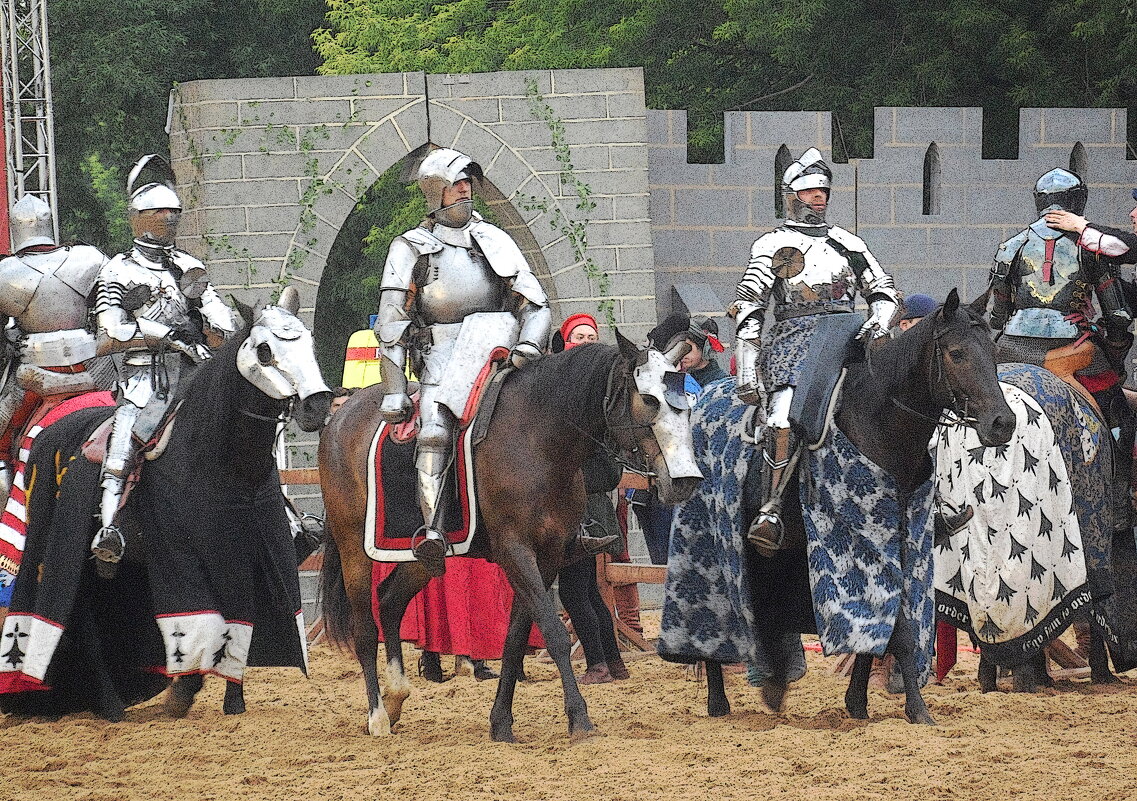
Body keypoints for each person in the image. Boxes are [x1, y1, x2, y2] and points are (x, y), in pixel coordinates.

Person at [373, 148, 551, 576]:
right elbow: (392, 324)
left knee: (553, 420)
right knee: (434, 431)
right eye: (456, 185)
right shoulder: (410, 248)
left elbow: (537, 304)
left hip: (502, 351)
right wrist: (396, 390)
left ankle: (572, 520)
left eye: (468, 184)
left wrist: (528, 345)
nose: (465, 192)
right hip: (442, 354)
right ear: (435, 192)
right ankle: (432, 529)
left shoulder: (495, 240)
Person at [732, 147, 899, 551]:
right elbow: (750, 306)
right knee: (782, 420)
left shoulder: (848, 243)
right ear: (791, 196)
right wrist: (747, 368)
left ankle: (932, 494)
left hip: (851, 335)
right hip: (795, 340)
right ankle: (770, 509)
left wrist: (878, 322)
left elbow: (884, 291)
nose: (819, 197)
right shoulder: (772, 243)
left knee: (907, 397)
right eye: (809, 192)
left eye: (823, 191)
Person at [89, 155, 237, 565]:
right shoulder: (116, 270)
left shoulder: (190, 266)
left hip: (197, 371)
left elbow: (222, 318)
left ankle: (285, 516)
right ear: (138, 217)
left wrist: (211, 328)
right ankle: (109, 525)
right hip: (145, 377)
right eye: (159, 212)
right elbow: (109, 334)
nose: (168, 219)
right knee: (128, 428)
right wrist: (167, 335)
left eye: (174, 212)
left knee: (245, 427)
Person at [989, 169, 1134, 529]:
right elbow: (1118, 315)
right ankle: (1118, 503)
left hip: (1010, 348)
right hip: (1074, 349)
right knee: (1118, 415)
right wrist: (1114, 350)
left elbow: (997, 315)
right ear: (1077, 201)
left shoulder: (1010, 247)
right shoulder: (1092, 250)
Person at [0, 195, 109, 592]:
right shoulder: (89, 259)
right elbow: (108, 322)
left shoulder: (6, 272)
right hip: (95, 374)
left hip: (33, 378)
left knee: (1, 443)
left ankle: (10, 556)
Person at [553, 313, 628, 684]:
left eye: (591, 335)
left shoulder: (595, 404)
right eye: (579, 335)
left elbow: (608, 469)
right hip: (583, 510)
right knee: (585, 589)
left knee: (575, 590)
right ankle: (613, 663)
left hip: (585, 512)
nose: (585, 340)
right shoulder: (565, 393)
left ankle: (598, 663)